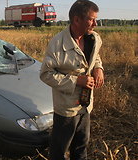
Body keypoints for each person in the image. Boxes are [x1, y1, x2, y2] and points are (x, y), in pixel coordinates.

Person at [39, 0, 104, 160]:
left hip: (86, 106)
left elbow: (95, 57)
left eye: (96, 19)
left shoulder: (93, 38)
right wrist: (76, 81)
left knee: (81, 148)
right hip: (66, 109)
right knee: (59, 151)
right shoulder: (57, 44)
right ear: (76, 20)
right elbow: (45, 74)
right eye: (91, 19)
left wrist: (98, 68)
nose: (95, 23)